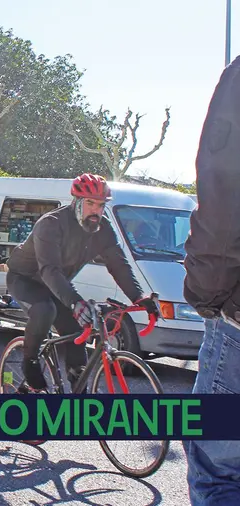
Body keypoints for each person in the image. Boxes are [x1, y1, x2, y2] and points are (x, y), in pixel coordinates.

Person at [5, 174, 160, 393]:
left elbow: (119, 265)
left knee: (78, 330)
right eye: (90, 203)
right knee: (44, 310)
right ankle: (30, 361)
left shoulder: (103, 228)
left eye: (100, 205)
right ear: (76, 202)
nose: (96, 210)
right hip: (25, 278)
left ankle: (79, 389)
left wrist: (139, 297)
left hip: (57, 283)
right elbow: (49, 269)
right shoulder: (51, 224)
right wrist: (75, 303)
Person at [182, 58, 240, 505]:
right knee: (50, 311)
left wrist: (206, 295)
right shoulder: (53, 224)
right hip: (43, 280)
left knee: (219, 472)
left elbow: (222, 193)